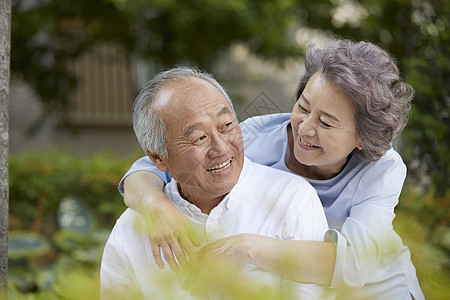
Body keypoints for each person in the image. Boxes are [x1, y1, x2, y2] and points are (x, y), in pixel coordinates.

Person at [118, 39, 426, 300]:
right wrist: (156, 206)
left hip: (378, 288)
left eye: (326, 122)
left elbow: (355, 266)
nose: (305, 128)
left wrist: (245, 247)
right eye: (303, 107)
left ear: (362, 136)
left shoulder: (381, 169)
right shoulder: (254, 139)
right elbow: (152, 165)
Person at [100, 67, 332, 299]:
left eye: (227, 126)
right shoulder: (132, 229)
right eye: (199, 138)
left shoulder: (292, 199)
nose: (221, 148)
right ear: (158, 157)